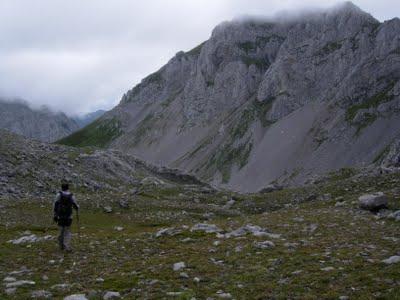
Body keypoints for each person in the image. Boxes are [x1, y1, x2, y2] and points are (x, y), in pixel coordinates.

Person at [53, 183, 79, 252]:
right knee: (67, 232)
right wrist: (76, 208)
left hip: (60, 216)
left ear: (62, 188)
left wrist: (55, 215)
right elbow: (76, 206)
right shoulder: (71, 196)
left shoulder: (59, 195)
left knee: (61, 231)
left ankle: (61, 246)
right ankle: (66, 247)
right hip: (68, 217)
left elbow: (55, 205)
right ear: (68, 188)